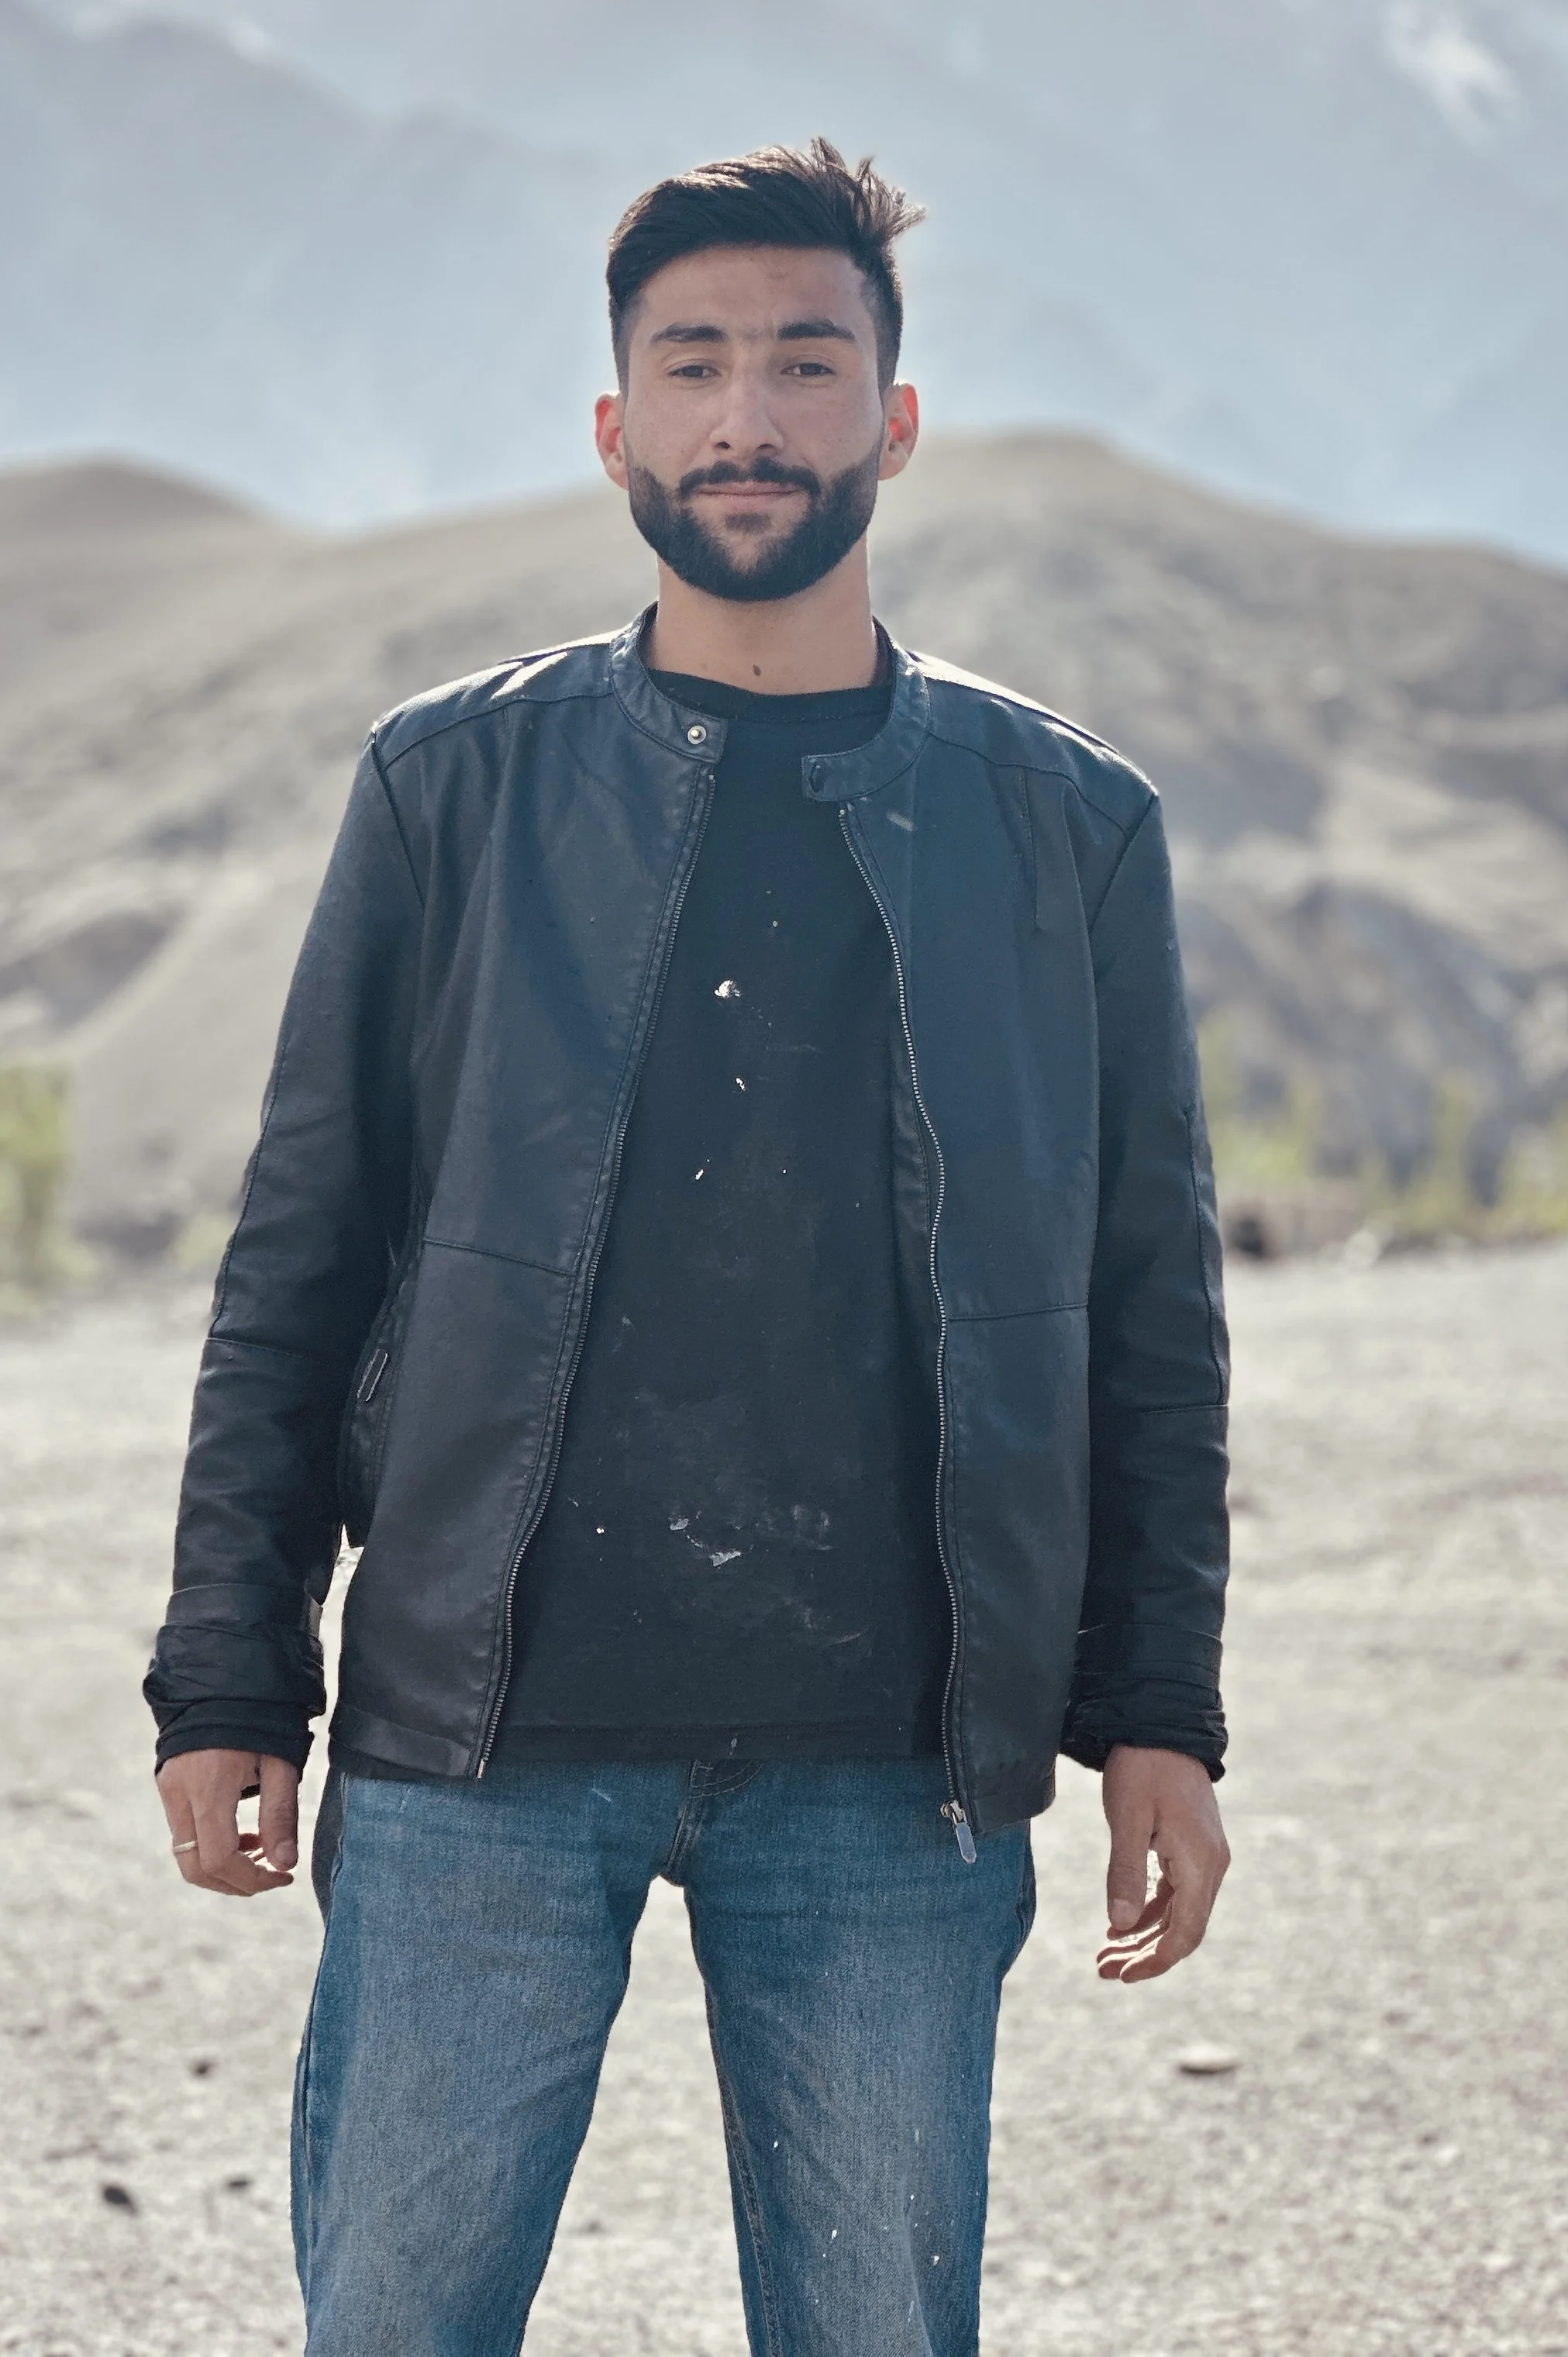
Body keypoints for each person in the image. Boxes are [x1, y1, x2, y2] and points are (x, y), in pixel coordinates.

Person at [147, 138, 1231, 2357]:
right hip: (478, 1742)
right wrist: (228, 1665)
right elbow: (304, 1250)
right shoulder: (449, 790)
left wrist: (1158, 1711)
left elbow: (1144, 1304)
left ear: (893, 419)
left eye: (806, 364)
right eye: (696, 366)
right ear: (615, 423)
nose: (750, 419)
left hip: (896, 1756)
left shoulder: (1064, 828)